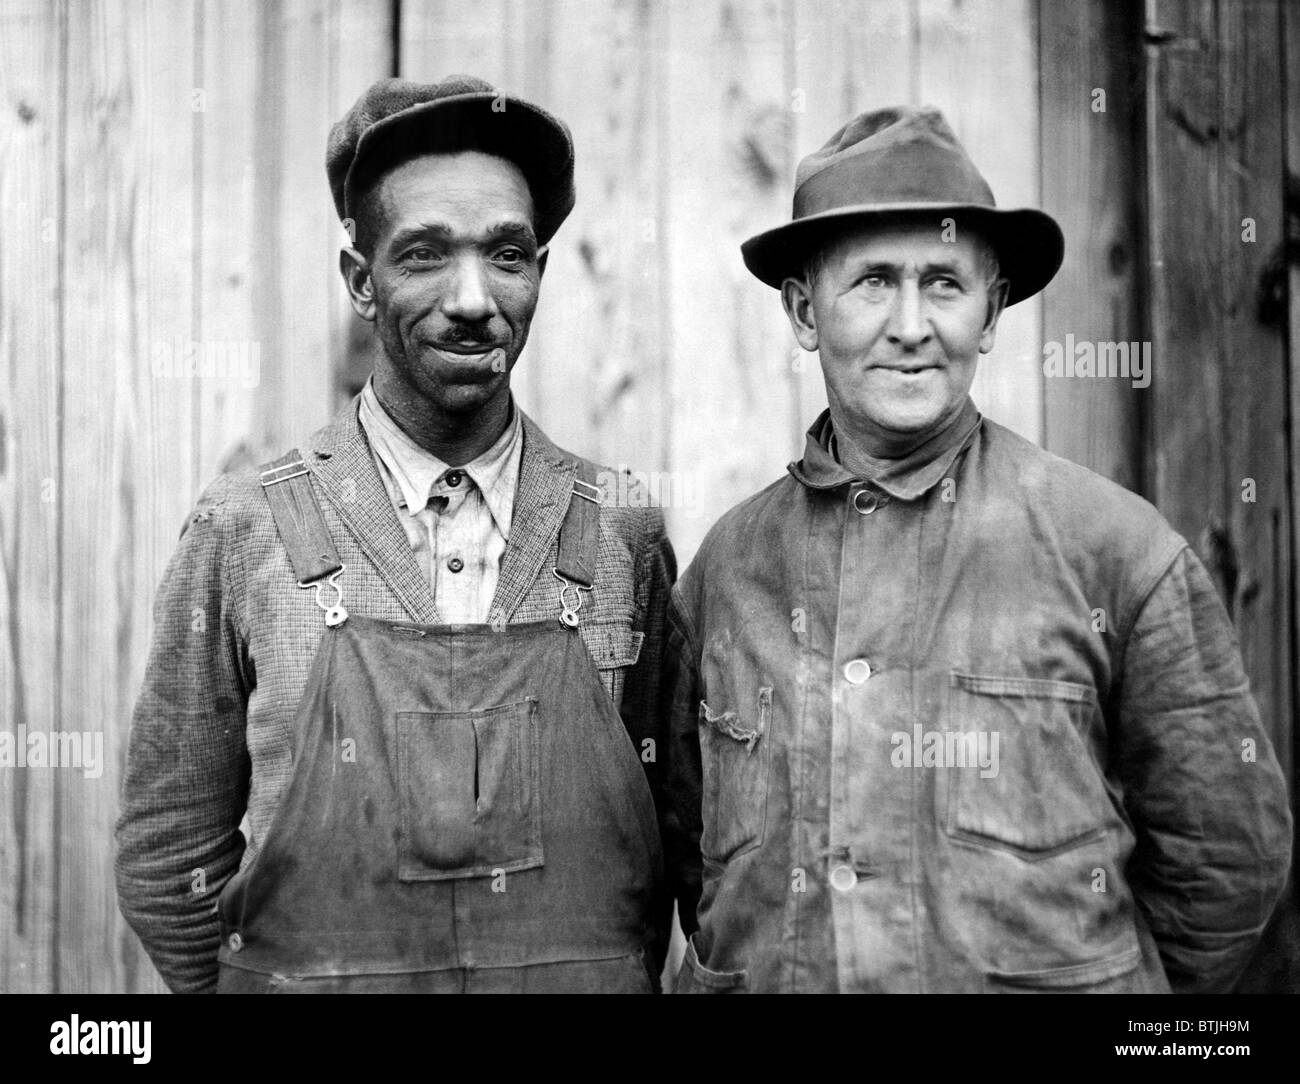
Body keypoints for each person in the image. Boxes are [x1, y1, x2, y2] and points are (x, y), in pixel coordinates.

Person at [663, 105, 1292, 993]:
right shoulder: (729, 571)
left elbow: (1229, 859)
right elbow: (691, 857)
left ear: (992, 311)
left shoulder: (1113, 549)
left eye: (946, 284)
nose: (912, 324)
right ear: (806, 312)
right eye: (873, 282)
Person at [117, 76, 675, 994]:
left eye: (508, 254)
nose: (471, 298)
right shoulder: (244, 529)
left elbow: (666, 850)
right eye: (423, 254)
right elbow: (167, 845)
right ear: (361, 281)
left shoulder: (621, 532)